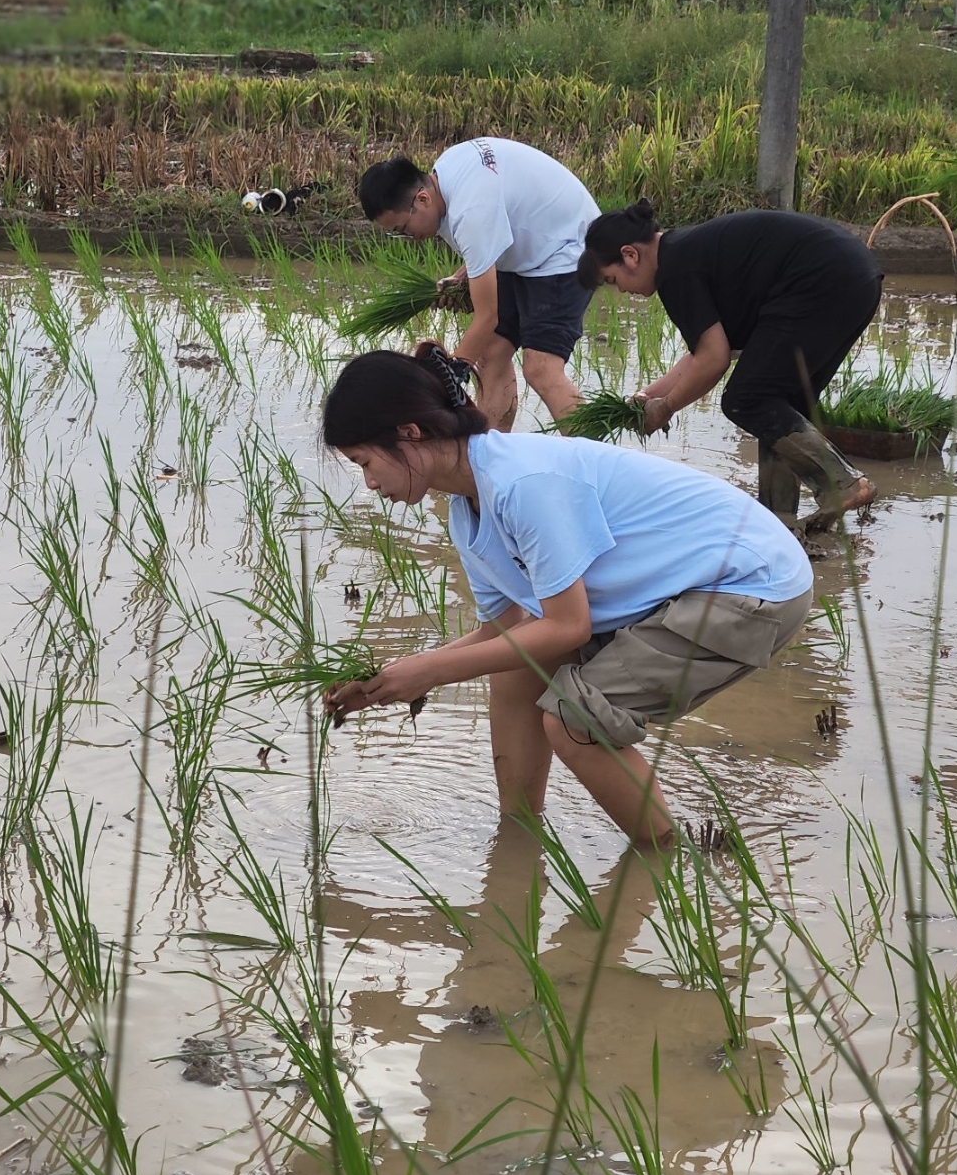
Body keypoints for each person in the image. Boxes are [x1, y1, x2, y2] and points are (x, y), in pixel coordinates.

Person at [321, 345, 813, 847]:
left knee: (575, 719)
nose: (369, 483)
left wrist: (430, 672)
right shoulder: (467, 510)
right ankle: (517, 834)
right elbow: (506, 630)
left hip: (749, 586)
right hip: (688, 587)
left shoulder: (521, 483)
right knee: (516, 667)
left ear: (409, 432)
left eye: (365, 462)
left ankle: (666, 861)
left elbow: (568, 626)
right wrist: (390, 679)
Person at [577, 201, 882, 523]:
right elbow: (702, 354)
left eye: (612, 280)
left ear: (630, 255)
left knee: (746, 400)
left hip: (822, 280)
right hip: (856, 276)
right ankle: (779, 520)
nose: (622, 290)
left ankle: (842, 484)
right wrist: (644, 398)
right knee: (778, 408)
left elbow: (714, 361)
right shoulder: (684, 251)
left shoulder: (675, 269)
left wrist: (665, 408)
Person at [358, 139, 600, 430]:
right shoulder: (446, 171)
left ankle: (599, 465)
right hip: (528, 244)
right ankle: (492, 453)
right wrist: (461, 277)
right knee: (491, 356)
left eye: (403, 229)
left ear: (422, 199)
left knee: (541, 368)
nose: (408, 237)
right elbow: (487, 237)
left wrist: (455, 368)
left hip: (567, 247)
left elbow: (488, 316)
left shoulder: (469, 210)